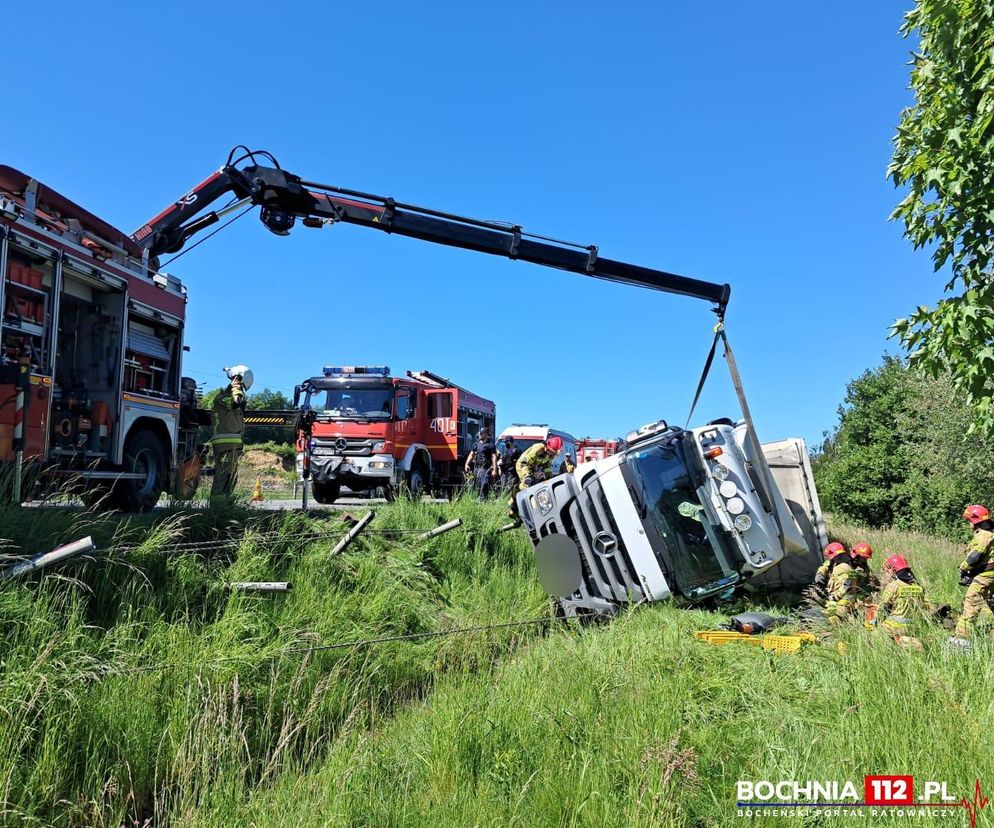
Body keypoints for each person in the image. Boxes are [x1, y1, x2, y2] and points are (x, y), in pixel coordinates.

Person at [951, 504, 994, 646]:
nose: (968, 523)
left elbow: (976, 556)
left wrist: (964, 568)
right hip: (989, 575)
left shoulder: (983, 535)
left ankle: (961, 641)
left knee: (971, 603)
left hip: (986, 576)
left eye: (969, 520)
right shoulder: (991, 534)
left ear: (975, 521)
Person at [211, 364, 253, 502]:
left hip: (232, 448)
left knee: (230, 479)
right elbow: (236, 402)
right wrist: (236, 388)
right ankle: (217, 511)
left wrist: (236, 389)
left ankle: (226, 507)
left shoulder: (234, 396)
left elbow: (241, 403)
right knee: (222, 479)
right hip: (224, 447)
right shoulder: (220, 399)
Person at [507, 435, 563, 524]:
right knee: (526, 487)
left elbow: (547, 466)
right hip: (523, 466)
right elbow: (525, 463)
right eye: (552, 452)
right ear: (547, 446)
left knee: (537, 487)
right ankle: (518, 510)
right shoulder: (537, 449)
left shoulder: (550, 454)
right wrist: (527, 476)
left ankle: (518, 507)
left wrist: (549, 477)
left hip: (533, 468)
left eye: (554, 453)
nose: (553, 455)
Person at [875, 554, 928, 634]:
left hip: (894, 627)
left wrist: (874, 623)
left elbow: (883, 609)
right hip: (914, 628)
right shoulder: (919, 587)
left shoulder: (893, 586)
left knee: (872, 630)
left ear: (892, 570)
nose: (885, 574)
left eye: (886, 571)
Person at [464, 427, 498, 497]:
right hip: (476, 469)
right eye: (480, 433)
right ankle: (475, 502)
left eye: (482, 433)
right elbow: (471, 455)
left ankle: (483, 502)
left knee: (484, 486)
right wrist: (467, 464)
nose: (480, 434)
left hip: (485, 469)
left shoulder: (490, 445)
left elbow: (494, 457)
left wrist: (495, 469)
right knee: (475, 487)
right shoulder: (476, 444)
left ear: (486, 434)